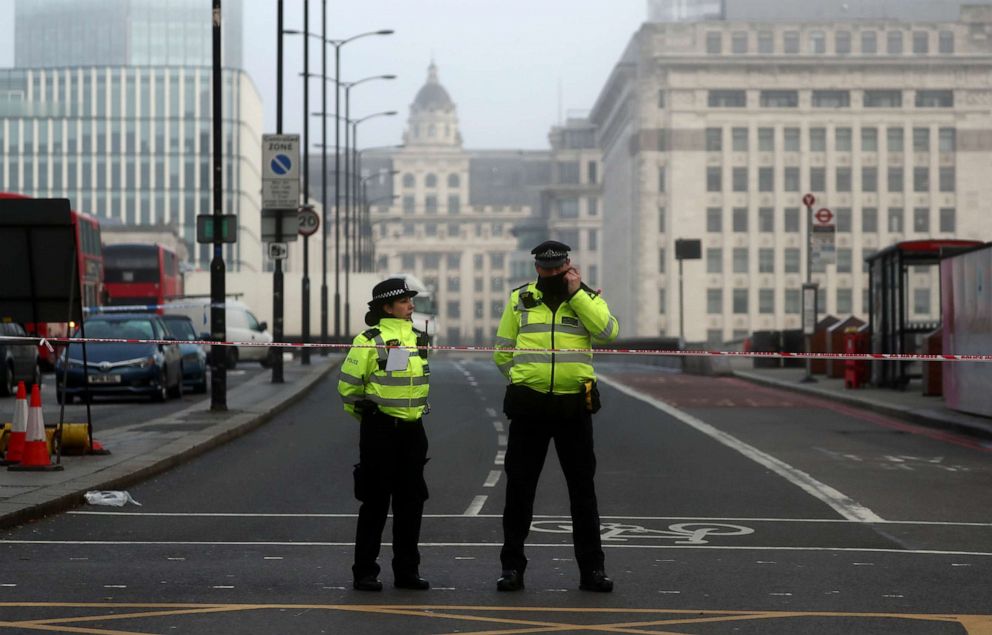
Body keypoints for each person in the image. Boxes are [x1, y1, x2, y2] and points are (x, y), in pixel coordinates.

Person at [492, 240, 620, 593]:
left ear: (568, 265)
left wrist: (579, 294)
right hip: (529, 407)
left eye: (558, 267)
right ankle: (512, 569)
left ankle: (592, 571)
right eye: (546, 268)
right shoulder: (519, 299)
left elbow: (608, 333)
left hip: (573, 407)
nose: (552, 273)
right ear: (537, 268)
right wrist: (522, 378)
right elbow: (503, 350)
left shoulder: (587, 298)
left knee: (583, 493)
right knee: (519, 492)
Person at [338, 278, 432, 591]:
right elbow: (348, 389)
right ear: (387, 306)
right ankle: (365, 571)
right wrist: (372, 418)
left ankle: (407, 571)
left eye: (411, 300)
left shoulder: (417, 338)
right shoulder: (369, 339)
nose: (411, 305)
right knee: (375, 503)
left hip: (413, 430)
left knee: (411, 504)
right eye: (405, 301)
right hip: (380, 430)